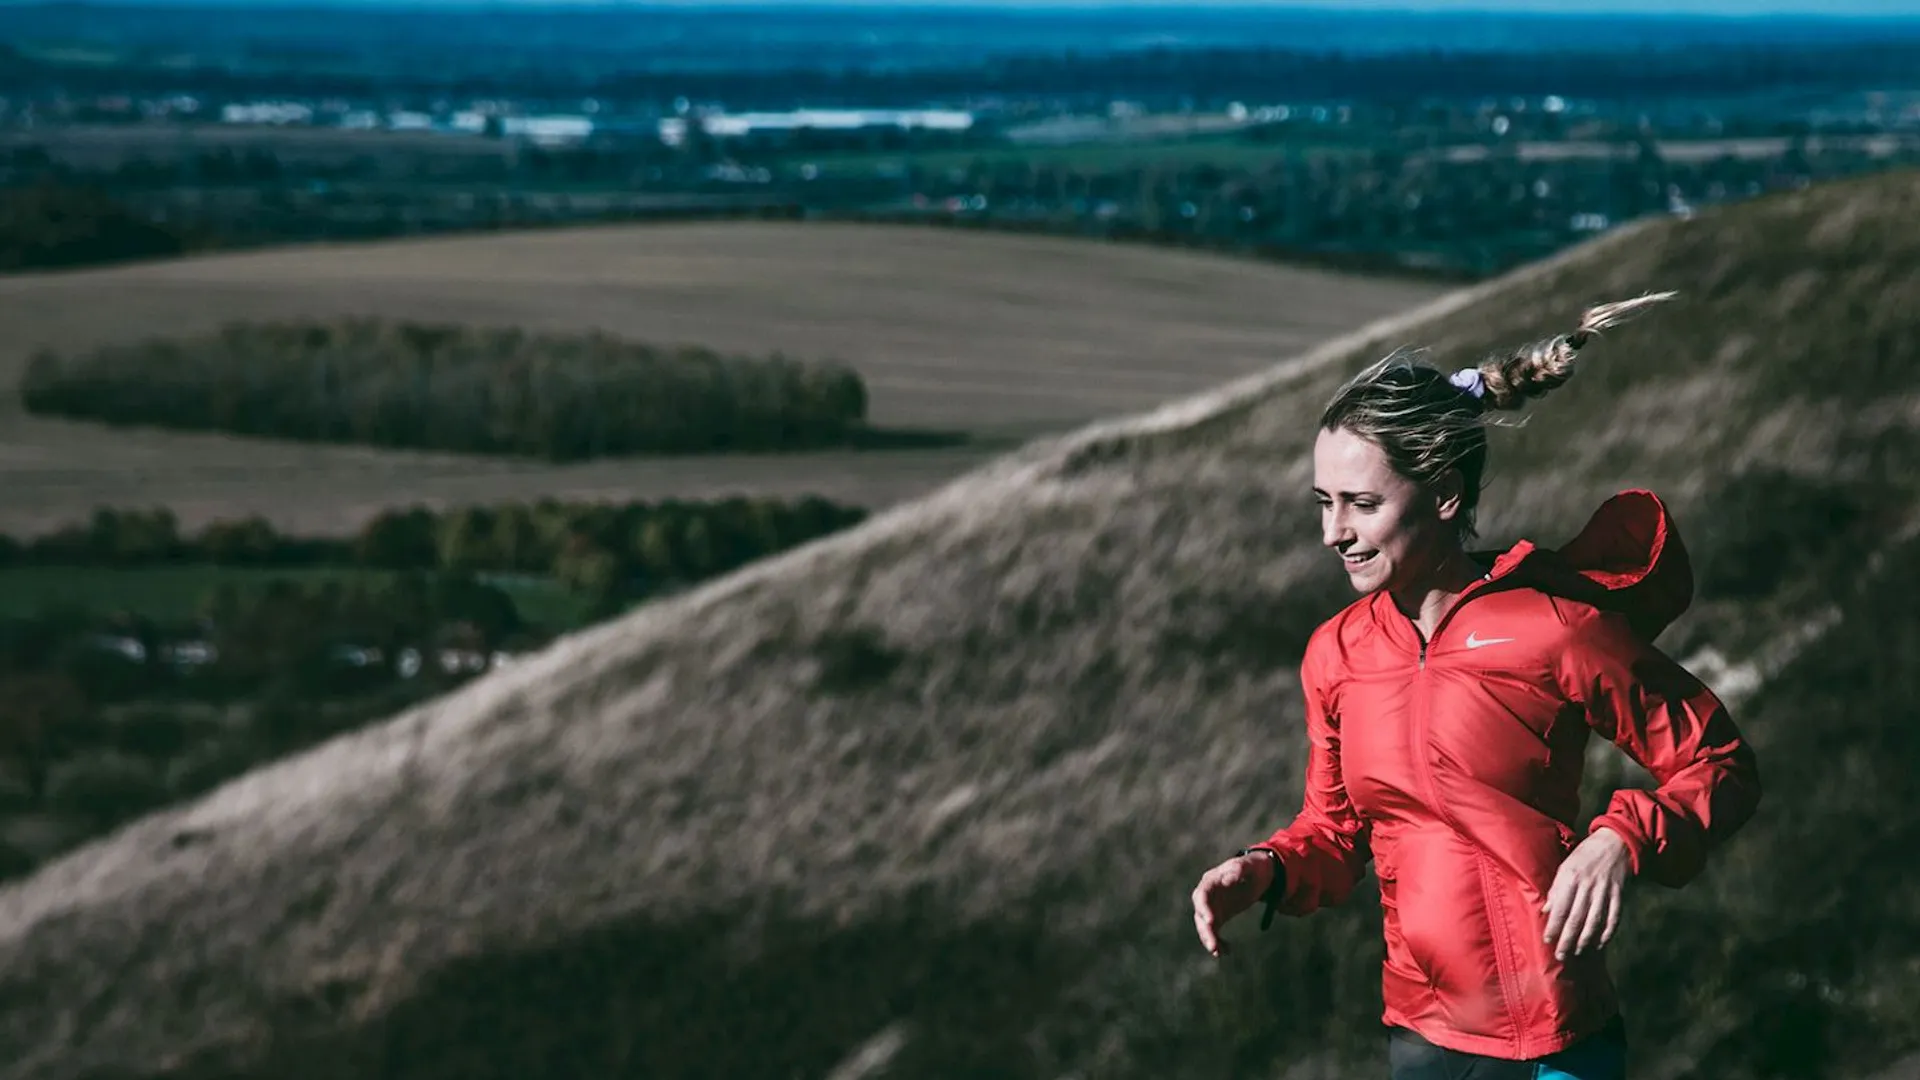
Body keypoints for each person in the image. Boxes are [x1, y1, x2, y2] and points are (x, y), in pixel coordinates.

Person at [1188, 293, 1762, 1080]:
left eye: (1362, 504)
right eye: (1325, 504)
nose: (1334, 533)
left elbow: (1718, 762)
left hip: (1554, 1042)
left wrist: (1619, 840)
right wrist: (1264, 869)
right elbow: (1335, 833)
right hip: (1419, 1039)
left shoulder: (1555, 629)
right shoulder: (1337, 655)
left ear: (1445, 496)